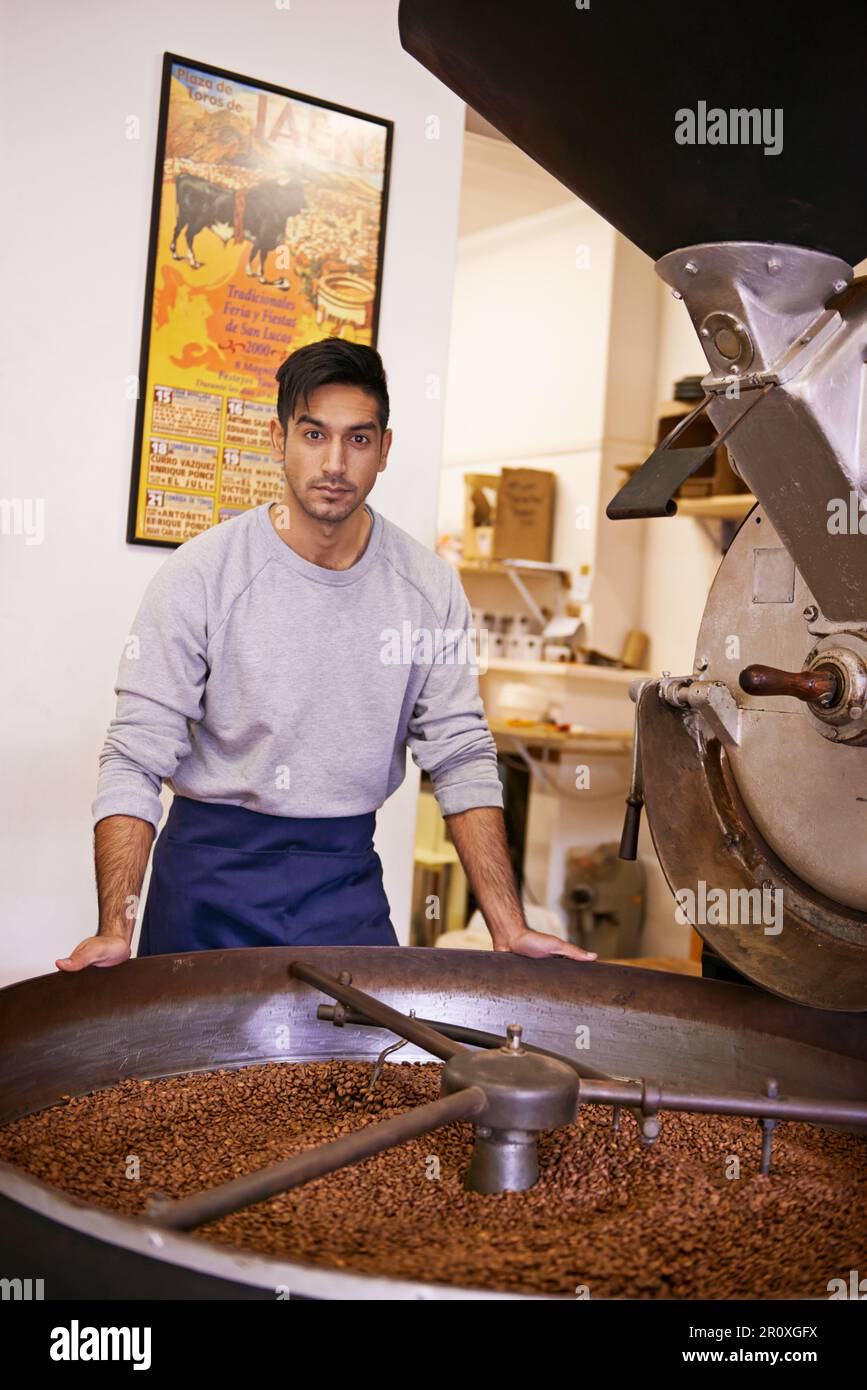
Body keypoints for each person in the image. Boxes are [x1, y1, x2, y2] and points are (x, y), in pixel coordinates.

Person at [57, 339, 597, 970]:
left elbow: (460, 755)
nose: (335, 462)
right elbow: (134, 756)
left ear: (385, 449)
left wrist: (508, 927)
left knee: (364, 1065)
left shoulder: (426, 587)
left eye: (358, 439)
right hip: (207, 881)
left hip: (343, 883)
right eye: (314, 434)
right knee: (195, 1072)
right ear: (278, 437)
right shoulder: (202, 574)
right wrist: (114, 928)